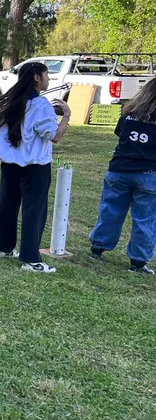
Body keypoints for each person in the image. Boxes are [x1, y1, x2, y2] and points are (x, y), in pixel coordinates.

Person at [0, 61, 71, 273]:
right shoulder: (40, 105)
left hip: (10, 164)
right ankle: (31, 260)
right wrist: (66, 115)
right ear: (36, 77)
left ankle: (2, 247)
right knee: (34, 211)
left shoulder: (12, 101)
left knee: (7, 204)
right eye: (46, 75)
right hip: (34, 166)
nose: (49, 79)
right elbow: (55, 136)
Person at [88, 78, 156, 274]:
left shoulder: (129, 112)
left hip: (119, 169)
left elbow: (120, 134)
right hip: (149, 173)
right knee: (145, 218)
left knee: (110, 210)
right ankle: (138, 261)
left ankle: (98, 247)